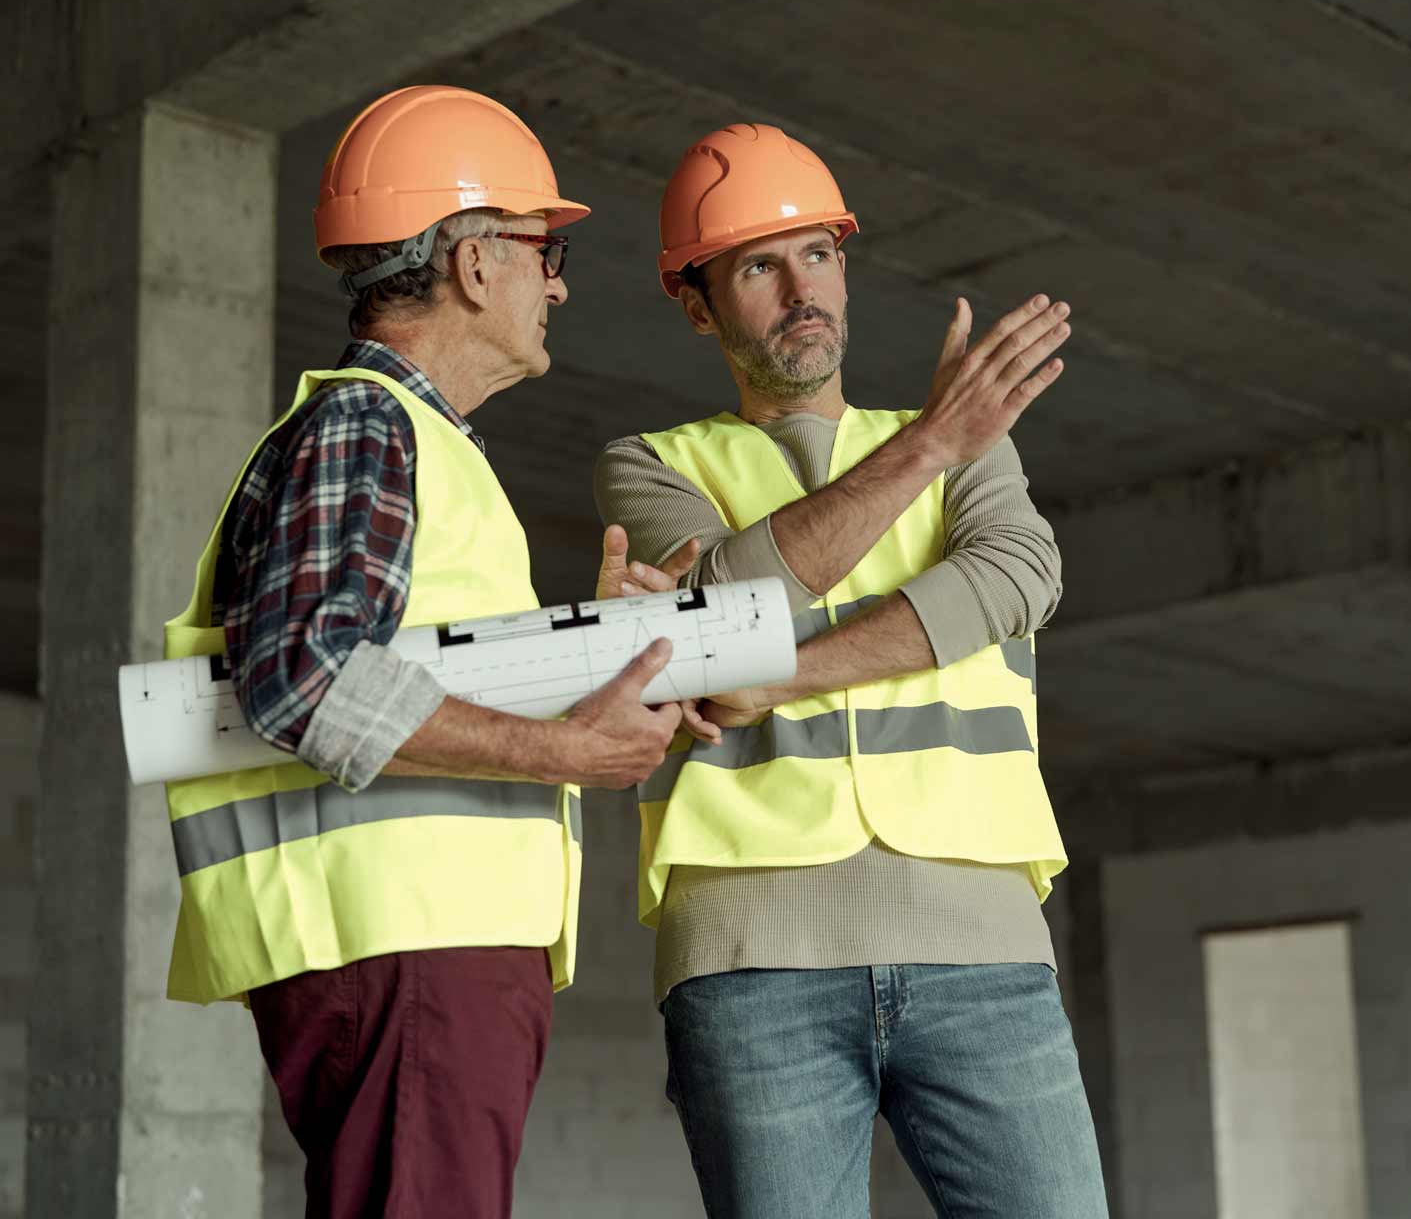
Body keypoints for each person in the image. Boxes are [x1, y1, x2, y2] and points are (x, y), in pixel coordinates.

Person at [157, 85, 685, 1219]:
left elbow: (391, 661)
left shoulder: (412, 440)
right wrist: (566, 751)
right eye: (544, 251)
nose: (558, 285)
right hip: (405, 949)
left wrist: (585, 669)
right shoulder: (368, 422)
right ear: (474, 261)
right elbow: (306, 676)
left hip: (418, 949)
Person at [592, 122, 1110, 1218]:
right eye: (758, 267)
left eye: (819, 253)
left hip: (983, 942)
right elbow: (709, 625)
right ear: (698, 306)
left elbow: (1017, 578)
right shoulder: (652, 465)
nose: (802, 291)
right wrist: (928, 448)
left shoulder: (977, 439)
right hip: (750, 955)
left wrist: (779, 674)